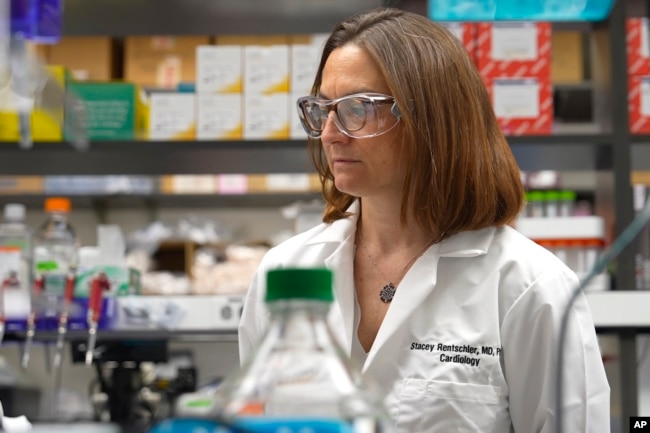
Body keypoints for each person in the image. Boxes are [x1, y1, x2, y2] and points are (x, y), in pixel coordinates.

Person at [238, 7, 610, 433]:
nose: (330, 132)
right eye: (323, 108)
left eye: (358, 107)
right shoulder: (286, 272)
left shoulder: (529, 288)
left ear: (431, 119)